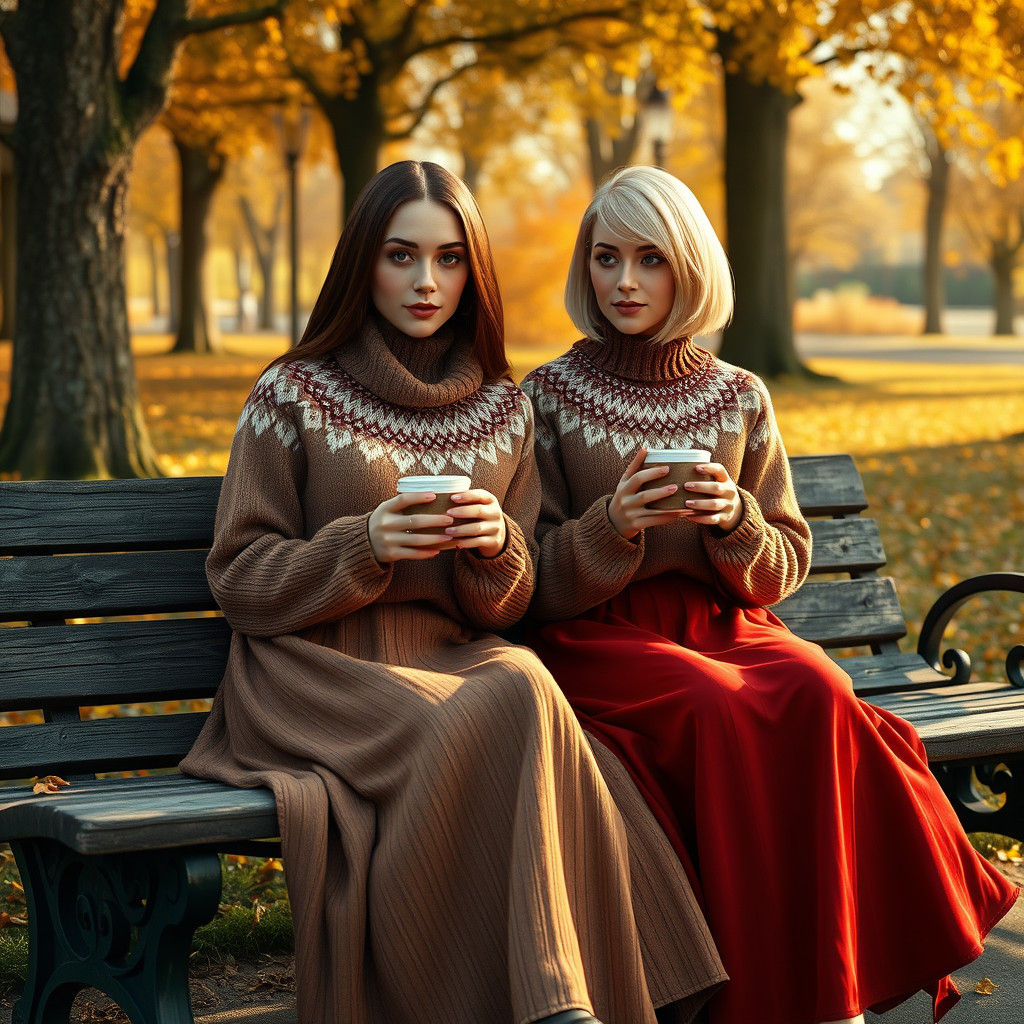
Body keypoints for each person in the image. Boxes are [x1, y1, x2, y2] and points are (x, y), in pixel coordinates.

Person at [180, 161, 727, 1024]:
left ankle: (563, 1002)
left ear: (474, 272)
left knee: (523, 681)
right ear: (364, 262)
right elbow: (240, 579)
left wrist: (492, 551)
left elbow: (509, 607)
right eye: (401, 256)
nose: (425, 282)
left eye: (448, 259)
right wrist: (364, 544)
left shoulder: (504, 410)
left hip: (449, 660)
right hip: (314, 674)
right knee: (510, 696)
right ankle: (554, 1005)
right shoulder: (292, 393)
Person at [520, 165, 1019, 1024]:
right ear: (585, 267)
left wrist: (734, 520)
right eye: (606, 259)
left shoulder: (739, 396)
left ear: (689, 268)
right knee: (714, 706)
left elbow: (784, 560)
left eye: (649, 259)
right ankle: (754, 997)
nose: (625, 282)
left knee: (820, 688)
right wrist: (612, 525)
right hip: (599, 636)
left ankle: (832, 990)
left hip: (725, 622)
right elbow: (528, 578)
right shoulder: (545, 397)